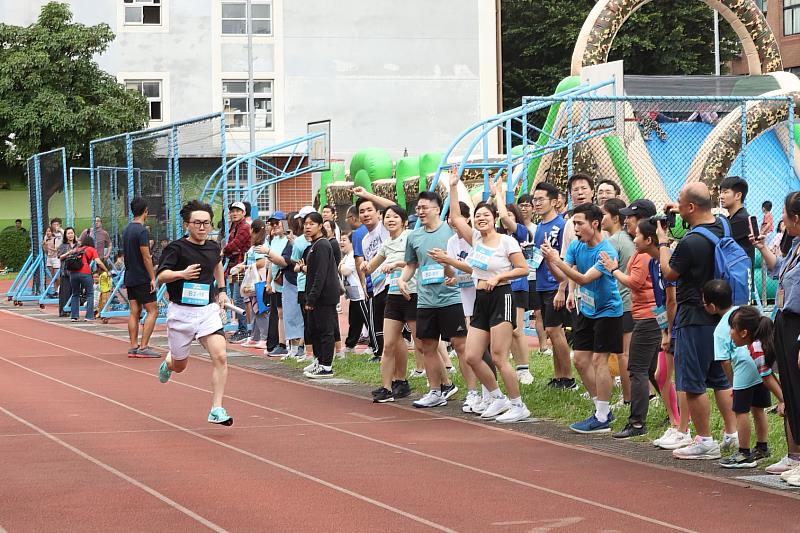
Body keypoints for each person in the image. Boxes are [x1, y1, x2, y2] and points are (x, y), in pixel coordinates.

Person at [658, 182, 739, 459]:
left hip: (694, 315)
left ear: (691, 208)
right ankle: (731, 434)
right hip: (720, 314)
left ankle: (704, 440)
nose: (677, 207)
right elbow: (698, 211)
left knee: (692, 382)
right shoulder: (721, 226)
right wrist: (678, 207)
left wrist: (662, 242)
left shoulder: (690, 242)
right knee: (719, 378)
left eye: (681, 203)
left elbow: (669, 272)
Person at [448, 172, 531, 422]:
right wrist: (453, 187)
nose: (481, 219)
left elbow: (523, 269)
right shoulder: (474, 238)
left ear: (494, 219)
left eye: (486, 215)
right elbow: (455, 217)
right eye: (477, 216)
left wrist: (499, 278)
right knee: (472, 356)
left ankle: (518, 404)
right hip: (480, 299)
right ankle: (497, 398)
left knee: (498, 356)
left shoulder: (506, 241)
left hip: (502, 297)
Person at [541, 203, 623, 434]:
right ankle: (602, 410)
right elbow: (562, 275)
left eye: (579, 223)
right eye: (573, 223)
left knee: (599, 361)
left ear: (594, 223)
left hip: (608, 311)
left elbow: (586, 279)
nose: (575, 228)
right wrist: (551, 260)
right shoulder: (576, 246)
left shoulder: (606, 251)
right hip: (585, 309)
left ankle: (602, 414)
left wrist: (557, 262)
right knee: (579, 360)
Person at [156, 199, 233, 426]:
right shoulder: (176, 248)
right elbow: (161, 276)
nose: (202, 227)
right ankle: (169, 363)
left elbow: (217, 264)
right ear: (187, 224)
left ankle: (216, 408)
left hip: (207, 310)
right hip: (181, 313)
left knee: (220, 355)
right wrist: (182, 274)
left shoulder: (212, 247)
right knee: (180, 366)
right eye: (197, 223)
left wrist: (222, 291)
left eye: (206, 223)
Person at [397, 189, 461, 408]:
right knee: (427, 346)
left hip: (453, 297)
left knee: (461, 346)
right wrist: (402, 280)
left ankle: (474, 392)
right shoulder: (414, 236)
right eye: (418, 208)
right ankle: (435, 390)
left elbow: (458, 217)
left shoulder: (451, 230)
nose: (420, 211)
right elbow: (411, 264)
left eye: (424, 207)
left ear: (437, 209)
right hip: (425, 300)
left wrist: (453, 186)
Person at [705, 289, 782, 468]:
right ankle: (762, 447)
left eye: (732, 329)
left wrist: (734, 385)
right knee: (758, 408)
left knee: (741, 411)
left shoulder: (722, 332)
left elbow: (725, 362)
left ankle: (744, 453)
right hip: (755, 371)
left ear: (744, 333)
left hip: (743, 370)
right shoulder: (745, 315)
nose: (730, 332)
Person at [752, 191, 800, 476]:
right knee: (791, 390)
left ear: (796, 218)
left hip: (797, 324)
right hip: (785, 320)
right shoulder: (795, 245)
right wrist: (762, 248)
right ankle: (794, 456)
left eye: (785, 214)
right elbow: (780, 270)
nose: (781, 218)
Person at [364, 205, 414, 402]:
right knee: (388, 343)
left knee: (423, 344)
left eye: (395, 217)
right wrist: (364, 266)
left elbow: (415, 261)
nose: (390, 220)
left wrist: (397, 265)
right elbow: (370, 267)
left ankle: (441, 384)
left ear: (404, 221)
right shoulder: (386, 244)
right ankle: (387, 388)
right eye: (387, 217)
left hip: (412, 293)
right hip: (392, 294)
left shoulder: (410, 237)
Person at [491, 178, 534, 385]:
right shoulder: (495, 236)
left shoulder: (521, 232)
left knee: (517, 329)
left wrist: (499, 194)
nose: (504, 217)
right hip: (499, 287)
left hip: (517, 286)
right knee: (503, 328)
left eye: (509, 214)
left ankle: (523, 368)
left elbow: (503, 218)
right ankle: (507, 363)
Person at [532, 182, 574, 389]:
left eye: (541, 199)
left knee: (555, 330)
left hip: (555, 285)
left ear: (554, 201)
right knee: (552, 331)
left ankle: (568, 378)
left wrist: (561, 289)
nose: (536, 203)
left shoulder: (562, 225)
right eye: (535, 199)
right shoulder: (539, 226)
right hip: (541, 283)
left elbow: (565, 259)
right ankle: (558, 376)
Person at [601, 198, 636, 408]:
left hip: (623, 304)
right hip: (629, 303)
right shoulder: (625, 239)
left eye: (603, 214)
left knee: (624, 355)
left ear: (615, 218)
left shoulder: (614, 241)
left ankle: (628, 398)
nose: (600, 218)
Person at [352, 188, 393, 362]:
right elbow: (368, 265)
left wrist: (367, 195)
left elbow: (394, 207)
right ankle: (381, 353)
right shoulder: (364, 240)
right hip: (375, 286)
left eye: (369, 210)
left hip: (391, 283)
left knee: (393, 325)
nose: (366, 214)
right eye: (362, 212)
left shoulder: (385, 228)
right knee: (377, 325)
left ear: (378, 214)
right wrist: (365, 282)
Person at [299, 212, 341, 378]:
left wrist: (312, 297)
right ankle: (319, 360)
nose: (307, 227)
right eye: (306, 224)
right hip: (317, 296)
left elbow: (321, 274)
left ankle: (326, 365)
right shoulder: (314, 246)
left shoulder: (323, 245)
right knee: (314, 329)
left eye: (311, 224)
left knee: (325, 330)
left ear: (320, 226)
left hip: (324, 297)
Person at [123, 197, 160, 358]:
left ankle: (133, 346)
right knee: (153, 311)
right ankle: (144, 347)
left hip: (130, 275)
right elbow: (146, 256)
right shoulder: (142, 231)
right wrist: (153, 277)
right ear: (146, 211)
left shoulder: (127, 230)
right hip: (142, 277)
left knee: (134, 311)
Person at [517, 193, 549, 355]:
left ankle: (543, 346)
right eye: (521, 205)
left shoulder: (538, 229)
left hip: (534, 276)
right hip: (516, 278)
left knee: (538, 313)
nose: (524, 208)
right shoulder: (514, 230)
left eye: (527, 204)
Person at [238, 219, 270, 350]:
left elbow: (261, 263)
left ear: (253, 230)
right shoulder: (256, 245)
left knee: (259, 309)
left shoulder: (260, 245)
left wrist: (245, 267)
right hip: (253, 280)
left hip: (258, 280)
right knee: (255, 308)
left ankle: (264, 337)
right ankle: (255, 336)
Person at [222, 201, 251, 342]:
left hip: (242, 267)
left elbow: (235, 245)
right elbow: (232, 247)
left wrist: (224, 251)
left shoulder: (244, 227)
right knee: (237, 298)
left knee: (239, 298)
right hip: (234, 266)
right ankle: (243, 328)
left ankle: (243, 330)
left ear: (243, 213)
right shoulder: (234, 227)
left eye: (237, 211)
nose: (234, 213)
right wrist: (229, 250)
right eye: (232, 211)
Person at [719, 176, 756, 283]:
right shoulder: (731, 218)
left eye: (725, 192)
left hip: (738, 281)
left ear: (738, 195)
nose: (721, 196)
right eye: (721, 192)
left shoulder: (742, 219)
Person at [68, 235, 109, 322]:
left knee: (75, 294)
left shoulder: (78, 249)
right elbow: (98, 261)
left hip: (73, 273)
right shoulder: (91, 249)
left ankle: (74, 316)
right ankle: (89, 316)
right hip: (85, 273)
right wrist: (106, 269)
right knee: (90, 294)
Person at [340, 232, 369, 353]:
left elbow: (345, 271)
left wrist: (340, 266)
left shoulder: (353, 256)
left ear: (352, 243)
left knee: (367, 320)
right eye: (340, 240)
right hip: (353, 295)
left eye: (344, 240)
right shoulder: (347, 256)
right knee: (354, 321)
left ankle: (374, 344)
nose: (341, 242)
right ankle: (350, 345)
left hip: (360, 294)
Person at [56, 227, 79, 316]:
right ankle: (64, 310)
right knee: (65, 292)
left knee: (75, 292)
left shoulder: (78, 245)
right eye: (68, 233)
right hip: (66, 272)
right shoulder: (63, 246)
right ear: (65, 235)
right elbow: (60, 257)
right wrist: (68, 253)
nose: (70, 235)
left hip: (76, 271)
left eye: (72, 233)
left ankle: (74, 310)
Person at [42, 226, 60, 295]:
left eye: (49, 231)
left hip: (55, 258)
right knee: (52, 276)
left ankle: (59, 289)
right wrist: (44, 246)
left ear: (52, 232)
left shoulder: (55, 239)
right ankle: (55, 291)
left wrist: (49, 247)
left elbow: (56, 249)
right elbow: (46, 251)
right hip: (49, 259)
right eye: (47, 231)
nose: (48, 233)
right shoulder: (46, 240)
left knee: (57, 276)